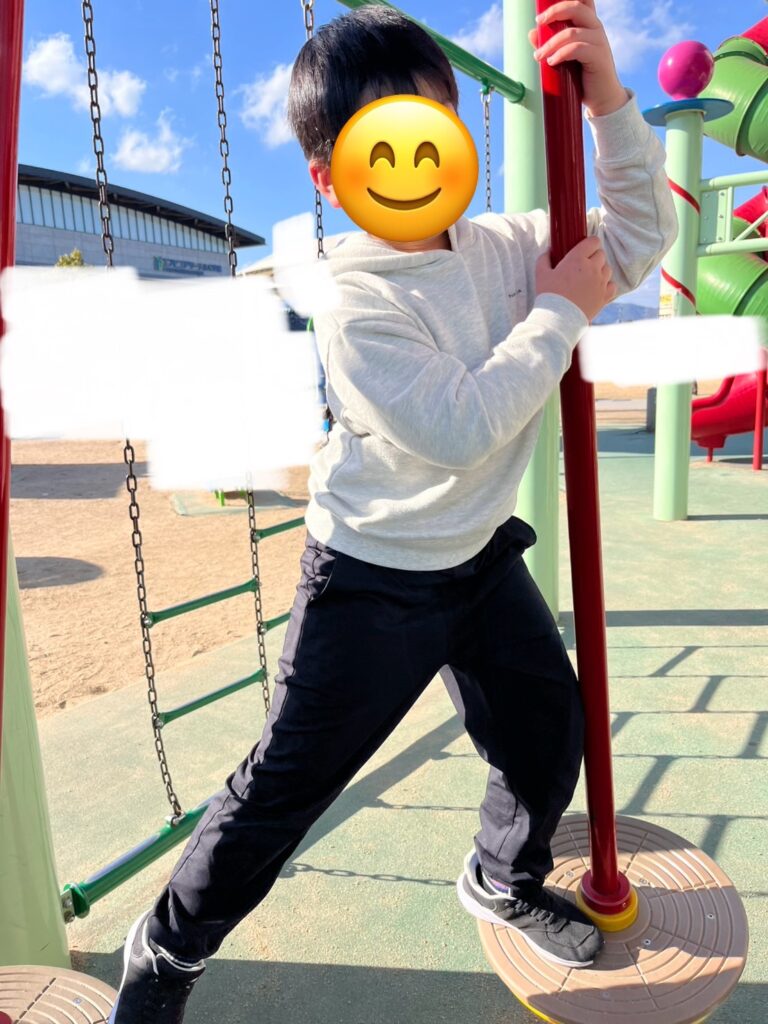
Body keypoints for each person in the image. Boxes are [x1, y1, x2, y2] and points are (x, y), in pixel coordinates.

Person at [109, 4, 676, 1021]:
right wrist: (562, 310)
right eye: (383, 143)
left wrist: (609, 104)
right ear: (330, 178)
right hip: (370, 575)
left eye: (433, 130)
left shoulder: (508, 245)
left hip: (477, 559)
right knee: (287, 784)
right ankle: (170, 946)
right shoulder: (356, 300)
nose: (414, 162)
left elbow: (638, 237)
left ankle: (502, 875)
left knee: (550, 728)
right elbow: (464, 425)